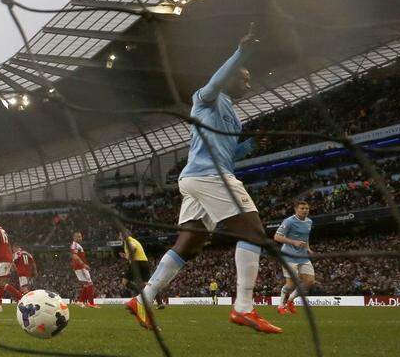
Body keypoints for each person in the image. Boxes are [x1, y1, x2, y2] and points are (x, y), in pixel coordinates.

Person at [126, 24, 282, 333]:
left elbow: (225, 152)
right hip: (210, 177)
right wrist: (240, 53)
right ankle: (244, 308)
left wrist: (248, 147)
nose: (248, 83)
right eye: (243, 77)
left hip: (200, 178)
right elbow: (214, 83)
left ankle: (143, 297)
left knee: (191, 243)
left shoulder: (234, 117)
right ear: (230, 77)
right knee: (253, 233)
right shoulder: (206, 98)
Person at [275, 201, 314, 314]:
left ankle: (290, 300)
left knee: (310, 281)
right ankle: (281, 305)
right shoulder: (289, 221)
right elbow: (277, 237)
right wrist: (293, 242)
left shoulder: (309, 222)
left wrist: (308, 248)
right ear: (296, 209)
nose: (305, 210)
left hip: (303, 256)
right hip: (289, 255)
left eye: (307, 208)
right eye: (302, 208)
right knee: (291, 284)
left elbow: (305, 238)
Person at [119, 231, 165, 309]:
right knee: (147, 284)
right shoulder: (133, 240)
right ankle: (160, 302)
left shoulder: (128, 241)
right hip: (144, 262)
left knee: (124, 282)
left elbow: (133, 248)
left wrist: (129, 256)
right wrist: (126, 256)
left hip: (137, 262)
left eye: (120, 235)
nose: (119, 236)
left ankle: (140, 299)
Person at [70, 232, 99, 308]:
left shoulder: (77, 245)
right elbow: (74, 256)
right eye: (78, 237)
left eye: (81, 236)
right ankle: (91, 303)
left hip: (79, 267)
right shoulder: (75, 245)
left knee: (86, 284)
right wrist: (83, 264)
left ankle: (80, 301)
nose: (80, 238)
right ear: (74, 237)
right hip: (80, 267)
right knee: (90, 284)